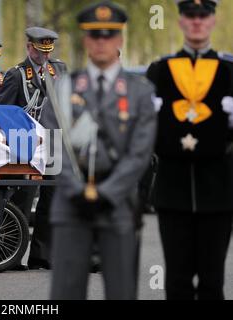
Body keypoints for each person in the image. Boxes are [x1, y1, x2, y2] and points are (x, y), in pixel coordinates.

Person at [50, 0, 157, 299]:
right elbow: (53, 146)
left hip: (118, 205)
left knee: (121, 292)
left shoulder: (140, 92)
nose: (101, 42)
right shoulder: (64, 89)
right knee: (66, 292)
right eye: (95, 35)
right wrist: (77, 192)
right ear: (85, 39)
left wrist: (106, 194)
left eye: (109, 35)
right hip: (71, 207)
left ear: (120, 39)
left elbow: (139, 154)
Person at [147, 0, 233, 300]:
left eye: (203, 15)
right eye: (190, 15)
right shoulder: (160, 71)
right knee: (177, 282)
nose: (197, 21)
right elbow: (146, 134)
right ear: (181, 21)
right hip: (174, 191)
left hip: (219, 192)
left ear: (212, 20)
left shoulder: (228, 71)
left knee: (213, 282)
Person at [0, 27, 67, 270]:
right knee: (22, 200)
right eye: (40, 52)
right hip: (25, 145)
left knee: (50, 200)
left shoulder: (59, 69)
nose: (44, 56)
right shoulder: (16, 75)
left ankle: (42, 255)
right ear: (29, 48)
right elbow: (3, 112)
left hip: (53, 142)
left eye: (48, 51)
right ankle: (11, 255)